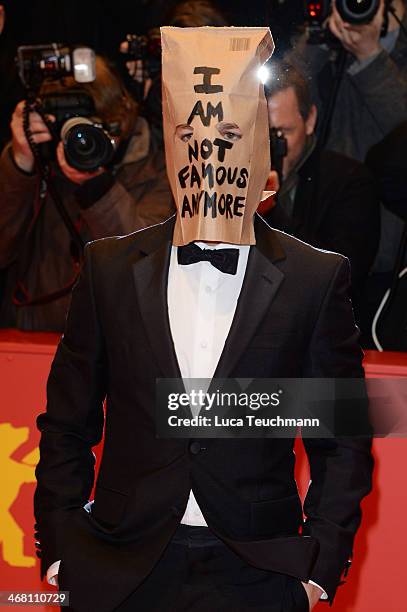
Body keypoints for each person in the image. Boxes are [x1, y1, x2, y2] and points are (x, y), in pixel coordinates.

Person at [34, 26, 373, 612]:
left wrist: (317, 568)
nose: (209, 151)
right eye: (192, 135)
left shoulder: (313, 281)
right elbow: (67, 421)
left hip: (258, 569)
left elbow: (341, 441)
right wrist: (62, 546)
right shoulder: (110, 268)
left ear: (260, 153)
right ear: (172, 146)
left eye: (230, 136)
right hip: (120, 564)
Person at [0, 55, 174, 332]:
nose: (81, 138)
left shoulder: (158, 168)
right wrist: (19, 164)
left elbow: (144, 264)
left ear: (123, 113)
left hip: (116, 347)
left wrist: (98, 188)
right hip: (32, 338)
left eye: (95, 126)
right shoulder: (40, 160)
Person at [260, 61, 380, 333]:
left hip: (317, 337)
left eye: (283, 133)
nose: (271, 144)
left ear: (310, 120)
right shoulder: (233, 177)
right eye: (261, 132)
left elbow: (339, 277)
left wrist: (271, 210)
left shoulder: (348, 181)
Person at [287, 0, 407, 162]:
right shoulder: (327, 28)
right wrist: (319, 39)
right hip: (334, 180)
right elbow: (282, 103)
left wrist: (370, 56)